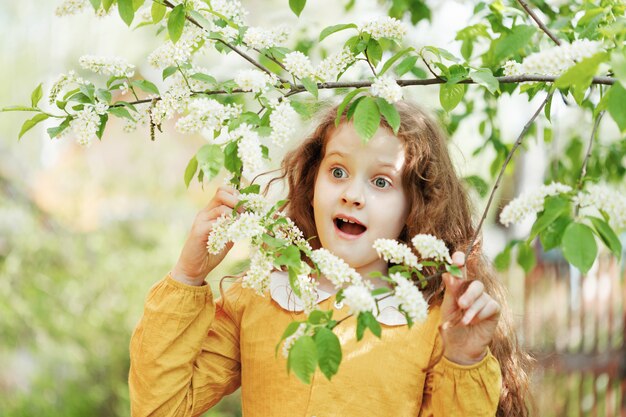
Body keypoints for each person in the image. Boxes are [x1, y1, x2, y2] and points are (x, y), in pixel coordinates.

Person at [129, 101, 533, 417]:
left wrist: (464, 358)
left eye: (380, 181)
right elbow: (159, 406)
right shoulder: (260, 297)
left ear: (415, 205)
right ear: (310, 182)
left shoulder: (431, 325)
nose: (352, 194)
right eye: (337, 171)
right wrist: (188, 275)